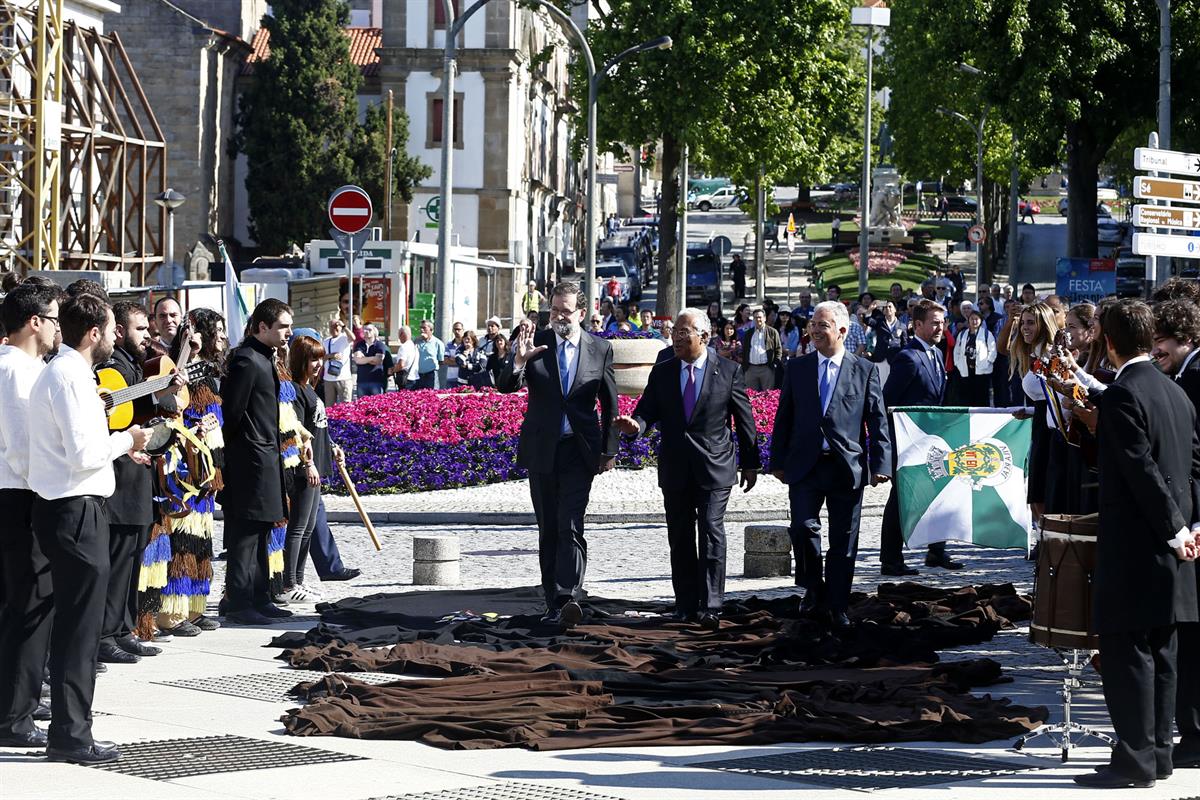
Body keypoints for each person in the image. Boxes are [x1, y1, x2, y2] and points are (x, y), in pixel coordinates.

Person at [1075, 299, 1200, 790]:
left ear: (1107, 342)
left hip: (1139, 545)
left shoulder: (1123, 395)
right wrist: (1191, 528)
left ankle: (1134, 758)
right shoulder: (1176, 393)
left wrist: (1175, 529)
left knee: (1128, 653)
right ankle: (1159, 755)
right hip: (1176, 546)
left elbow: (1141, 470)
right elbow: (1193, 469)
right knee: (1163, 652)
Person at [27, 293, 149, 763]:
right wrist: (128, 439)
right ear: (93, 333)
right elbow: (83, 455)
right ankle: (72, 736)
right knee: (80, 630)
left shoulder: (65, 374)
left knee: (74, 626)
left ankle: (70, 729)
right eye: (113, 327)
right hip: (75, 509)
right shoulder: (70, 377)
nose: (117, 335)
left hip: (64, 506)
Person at [614, 309, 759, 629]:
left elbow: (744, 420)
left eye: (684, 332)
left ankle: (711, 604)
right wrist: (634, 427)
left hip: (715, 465)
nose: (676, 337)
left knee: (711, 530)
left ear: (704, 337)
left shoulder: (729, 370)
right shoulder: (664, 368)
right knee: (680, 537)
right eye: (674, 332)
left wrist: (751, 464)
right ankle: (684, 604)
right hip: (676, 466)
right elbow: (646, 411)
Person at [497, 282, 618, 627]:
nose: (559, 317)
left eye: (566, 311)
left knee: (570, 524)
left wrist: (609, 450)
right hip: (543, 448)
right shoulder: (537, 343)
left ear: (582, 313)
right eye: (554, 311)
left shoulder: (599, 348)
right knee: (549, 527)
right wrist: (518, 360)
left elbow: (609, 402)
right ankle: (552, 601)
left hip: (580, 450)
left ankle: (569, 598)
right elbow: (507, 386)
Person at [770, 301, 891, 629]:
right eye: (812, 324)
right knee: (803, 528)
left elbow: (877, 420)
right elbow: (785, 418)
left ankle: (837, 606)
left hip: (845, 467)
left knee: (843, 541)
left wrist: (881, 463)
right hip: (805, 467)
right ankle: (815, 587)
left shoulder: (864, 370)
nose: (814, 330)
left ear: (841, 330)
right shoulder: (798, 368)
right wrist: (776, 461)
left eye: (822, 325)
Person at [98, 302, 181, 659]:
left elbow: (150, 411)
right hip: (118, 478)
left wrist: (166, 390)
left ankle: (124, 628)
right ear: (119, 332)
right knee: (117, 563)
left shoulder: (136, 366)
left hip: (139, 476)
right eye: (140, 329)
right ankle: (105, 635)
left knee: (132, 559)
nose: (147, 336)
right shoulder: (111, 367)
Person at [0, 282, 61, 748]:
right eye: (54, 318)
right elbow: (21, 448)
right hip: (21, 494)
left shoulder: (20, 367)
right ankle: (15, 718)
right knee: (28, 606)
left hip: (16, 494)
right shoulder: (18, 371)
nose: (59, 328)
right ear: (34, 321)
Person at [219, 299, 291, 626]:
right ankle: (238, 600)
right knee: (244, 533)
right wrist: (245, 450)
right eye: (282, 326)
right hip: (249, 460)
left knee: (262, 530)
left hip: (265, 457)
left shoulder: (264, 358)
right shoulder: (247, 360)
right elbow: (231, 414)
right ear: (263, 327)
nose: (288, 332)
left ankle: (261, 596)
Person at [880, 299, 957, 575]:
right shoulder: (908, 357)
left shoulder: (936, 354)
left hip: (933, 440)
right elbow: (888, 402)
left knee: (939, 493)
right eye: (935, 322)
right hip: (908, 442)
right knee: (900, 500)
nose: (940, 327)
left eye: (943, 322)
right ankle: (890, 559)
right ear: (918, 325)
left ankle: (936, 552)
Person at [282, 335, 329, 602]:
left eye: (320, 358)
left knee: (309, 526)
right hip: (304, 467)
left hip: (317, 464)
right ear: (301, 360)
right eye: (313, 358)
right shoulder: (296, 391)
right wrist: (308, 463)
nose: (318, 364)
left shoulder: (310, 389)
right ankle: (289, 583)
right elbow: (297, 431)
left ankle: (298, 580)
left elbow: (318, 427)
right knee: (298, 526)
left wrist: (332, 447)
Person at [953, 310, 996, 407]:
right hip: (966, 370)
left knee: (982, 397)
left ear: (981, 320)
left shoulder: (986, 334)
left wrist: (988, 362)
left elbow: (992, 350)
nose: (974, 321)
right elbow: (957, 350)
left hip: (982, 371)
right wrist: (957, 363)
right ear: (968, 320)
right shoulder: (963, 334)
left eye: (977, 319)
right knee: (967, 397)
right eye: (972, 319)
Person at [740, 308, 782, 391]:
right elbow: (745, 350)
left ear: (765, 318)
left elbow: (778, 349)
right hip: (751, 369)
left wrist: (775, 364)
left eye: (760, 317)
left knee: (768, 396)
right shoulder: (749, 333)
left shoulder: (772, 332)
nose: (758, 319)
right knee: (751, 396)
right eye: (755, 317)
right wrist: (745, 366)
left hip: (767, 368)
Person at [321, 318, 353, 406]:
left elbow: (353, 338)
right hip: (328, 379)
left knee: (346, 406)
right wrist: (331, 356)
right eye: (331, 326)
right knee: (329, 407)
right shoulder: (326, 341)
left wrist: (344, 326)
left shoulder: (345, 338)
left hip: (343, 378)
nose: (334, 328)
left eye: (336, 326)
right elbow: (321, 357)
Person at [352, 324, 388, 396]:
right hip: (361, 382)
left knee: (377, 405)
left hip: (376, 382)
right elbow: (357, 360)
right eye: (365, 329)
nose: (366, 331)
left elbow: (378, 360)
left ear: (374, 332)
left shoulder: (380, 345)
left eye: (369, 330)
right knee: (361, 405)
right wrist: (372, 358)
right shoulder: (359, 344)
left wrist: (364, 358)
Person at [414, 319, 445, 389]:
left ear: (431, 330)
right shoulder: (417, 341)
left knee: (432, 396)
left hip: (431, 375)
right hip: (418, 375)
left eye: (424, 328)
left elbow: (441, 361)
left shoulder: (438, 343)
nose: (421, 330)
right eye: (420, 328)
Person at [394, 325, 418, 390]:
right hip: (414, 378)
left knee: (403, 399)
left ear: (402, 334)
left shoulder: (404, 347)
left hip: (405, 380)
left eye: (399, 335)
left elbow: (401, 364)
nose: (399, 338)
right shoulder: (414, 347)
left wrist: (393, 370)